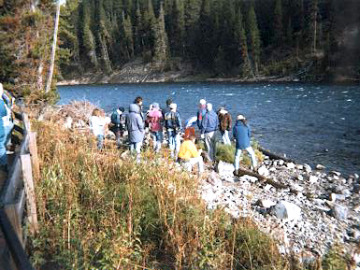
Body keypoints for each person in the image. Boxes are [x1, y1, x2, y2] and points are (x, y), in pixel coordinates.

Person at [0, 84, 8, 170]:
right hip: (1, 130)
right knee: (1, 147)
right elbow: (4, 113)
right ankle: (4, 166)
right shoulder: (1, 102)